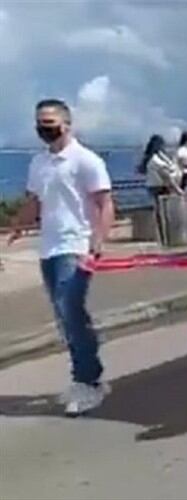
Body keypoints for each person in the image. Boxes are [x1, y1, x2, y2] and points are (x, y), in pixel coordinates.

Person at [7, 99, 114, 416]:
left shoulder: (86, 160)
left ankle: (87, 380)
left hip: (76, 246)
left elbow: (105, 203)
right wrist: (18, 226)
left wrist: (97, 242)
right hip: (49, 248)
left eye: (50, 123)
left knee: (71, 310)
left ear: (66, 124)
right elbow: (34, 201)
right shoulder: (38, 163)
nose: (44, 128)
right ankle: (89, 376)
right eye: (40, 122)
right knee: (64, 315)